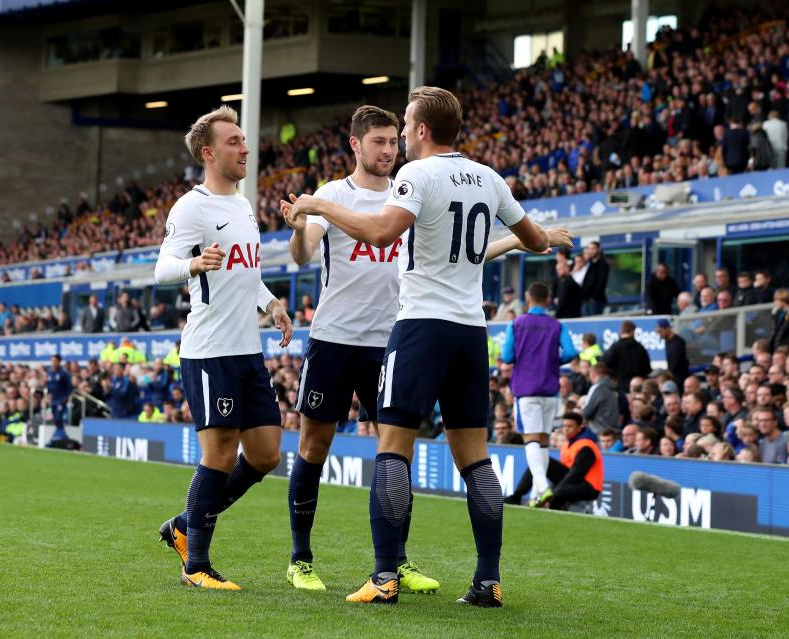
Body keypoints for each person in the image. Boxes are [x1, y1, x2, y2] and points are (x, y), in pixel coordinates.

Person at [290, 86, 549, 607]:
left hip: (419, 329)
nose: (402, 137)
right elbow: (536, 241)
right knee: (476, 460)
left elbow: (385, 234)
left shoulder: (416, 175)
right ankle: (488, 581)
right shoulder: (489, 177)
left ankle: (385, 574)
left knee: (393, 447)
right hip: (471, 332)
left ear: (423, 130)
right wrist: (541, 237)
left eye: (405, 127)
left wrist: (318, 204)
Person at [279, 105, 438, 593]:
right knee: (313, 447)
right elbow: (304, 254)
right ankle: (300, 559)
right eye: (379, 142)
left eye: (394, 141)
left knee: (397, 452)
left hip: (390, 343)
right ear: (356, 144)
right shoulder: (332, 195)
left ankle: (397, 561)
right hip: (333, 340)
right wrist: (298, 226)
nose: (390, 151)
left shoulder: (408, 195)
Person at [154, 105, 293, 592]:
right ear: (209, 152)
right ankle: (197, 566)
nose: (245, 147)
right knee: (218, 455)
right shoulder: (192, 207)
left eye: (244, 139)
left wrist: (272, 302)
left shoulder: (241, 204)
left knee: (266, 455)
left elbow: (244, 272)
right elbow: (162, 268)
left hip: (246, 350)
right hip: (210, 349)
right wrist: (193, 265)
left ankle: (182, 526)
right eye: (234, 140)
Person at [502, 281, 577, 508]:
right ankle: (537, 495)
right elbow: (571, 352)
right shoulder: (556, 325)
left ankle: (543, 487)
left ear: (528, 297)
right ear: (547, 300)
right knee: (543, 440)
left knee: (531, 439)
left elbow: (507, 357)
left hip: (526, 388)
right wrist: (553, 360)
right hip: (550, 388)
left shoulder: (516, 324)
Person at [504, 413, 603, 510]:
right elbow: (567, 472)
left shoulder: (586, 446)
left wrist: (556, 489)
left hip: (589, 487)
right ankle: (516, 496)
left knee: (558, 492)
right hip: (573, 480)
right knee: (539, 462)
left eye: (570, 426)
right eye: (564, 426)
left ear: (579, 428)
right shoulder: (568, 444)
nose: (566, 429)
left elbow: (577, 473)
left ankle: (552, 513)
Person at [602, 320, 651, 395]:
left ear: (621, 331)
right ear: (633, 331)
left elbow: (604, 364)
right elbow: (647, 369)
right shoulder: (640, 348)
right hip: (638, 386)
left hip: (620, 386)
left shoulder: (615, 347)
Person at [580, 363, 620, 436]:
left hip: (599, 432)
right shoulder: (613, 389)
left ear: (593, 374)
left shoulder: (597, 388)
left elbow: (586, 412)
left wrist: (582, 404)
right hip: (613, 432)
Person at [46, 354, 72, 442]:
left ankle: (60, 434)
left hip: (61, 399)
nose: (53, 363)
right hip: (53, 399)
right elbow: (49, 386)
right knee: (55, 417)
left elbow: (69, 386)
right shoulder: (50, 372)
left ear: (59, 362)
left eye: (55, 361)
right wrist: (48, 395)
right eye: (52, 361)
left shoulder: (64, 373)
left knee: (58, 417)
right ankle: (61, 433)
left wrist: (65, 397)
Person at [656, 319, 689, 386]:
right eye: (657, 332)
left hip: (680, 378)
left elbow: (675, 363)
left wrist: (667, 374)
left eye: (660, 331)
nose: (659, 334)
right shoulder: (667, 340)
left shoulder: (678, 342)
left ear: (668, 328)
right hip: (673, 377)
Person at [581, 241, 609, 316]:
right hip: (586, 300)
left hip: (596, 301)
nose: (591, 251)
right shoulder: (590, 264)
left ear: (598, 249)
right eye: (589, 249)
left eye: (593, 249)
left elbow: (601, 282)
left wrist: (593, 297)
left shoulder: (603, 264)